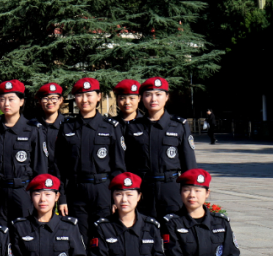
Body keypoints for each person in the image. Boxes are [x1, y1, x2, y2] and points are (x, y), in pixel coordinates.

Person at [55, 78, 125, 241]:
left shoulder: (111, 127)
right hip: (76, 191)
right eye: (80, 95)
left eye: (89, 95)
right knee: (79, 239)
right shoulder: (67, 127)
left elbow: (118, 167)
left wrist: (117, 197)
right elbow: (60, 167)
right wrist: (62, 198)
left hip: (103, 191)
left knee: (104, 237)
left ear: (99, 96)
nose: (84, 100)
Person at [123, 77, 196, 219]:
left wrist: (191, 192)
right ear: (142, 98)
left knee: (173, 228)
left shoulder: (179, 125)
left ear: (167, 97)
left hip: (171, 188)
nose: (153, 99)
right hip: (143, 188)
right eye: (148, 95)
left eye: (158, 94)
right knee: (145, 229)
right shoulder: (133, 127)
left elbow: (189, 163)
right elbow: (127, 163)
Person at [0, 80, 49, 225]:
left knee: (24, 232)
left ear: (21, 101)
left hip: (23, 192)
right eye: (2, 99)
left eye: (11, 99)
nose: (6, 103)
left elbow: (40, 167)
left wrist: (40, 196)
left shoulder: (33, 130)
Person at [32, 82, 65, 180]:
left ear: (60, 100)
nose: (50, 102)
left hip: (62, 178)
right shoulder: (32, 126)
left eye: (54, 98)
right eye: (45, 98)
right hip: (38, 178)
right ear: (40, 101)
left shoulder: (68, 126)